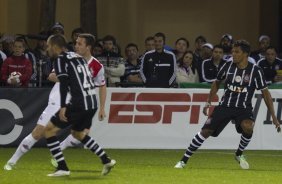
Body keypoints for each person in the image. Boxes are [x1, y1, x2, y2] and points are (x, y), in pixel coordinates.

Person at [174, 40, 281, 170]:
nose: (233, 55)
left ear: (246, 54)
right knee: (205, 131)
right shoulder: (227, 66)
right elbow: (217, 83)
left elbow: (266, 94)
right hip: (224, 106)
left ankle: (239, 153)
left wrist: (274, 117)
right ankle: (183, 160)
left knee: (248, 127)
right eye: (232, 52)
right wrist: (208, 101)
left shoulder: (255, 71)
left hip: (243, 108)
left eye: (237, 52)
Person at [44, 34, 115, 177]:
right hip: (91, 102)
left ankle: (62, 167)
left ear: (54, 46)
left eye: (48, 45)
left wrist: (63, 106)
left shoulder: (61, 59)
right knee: (77, 133)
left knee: (49, 130)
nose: (47, 48)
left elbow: (64, 83)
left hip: (79, 102)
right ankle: (106, 160)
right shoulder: (78, 58)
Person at [58, 33, 107, 151]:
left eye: (79, 44)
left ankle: (58, 150)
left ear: (88, 47)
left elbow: (102, 85)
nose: (76, 46)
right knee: (47, 130)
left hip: (84, 103)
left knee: (80, 135)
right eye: (76, 43)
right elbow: (51, 76)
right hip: (66, 100)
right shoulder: (68, 59)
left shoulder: (97, 66)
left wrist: (102, 108)